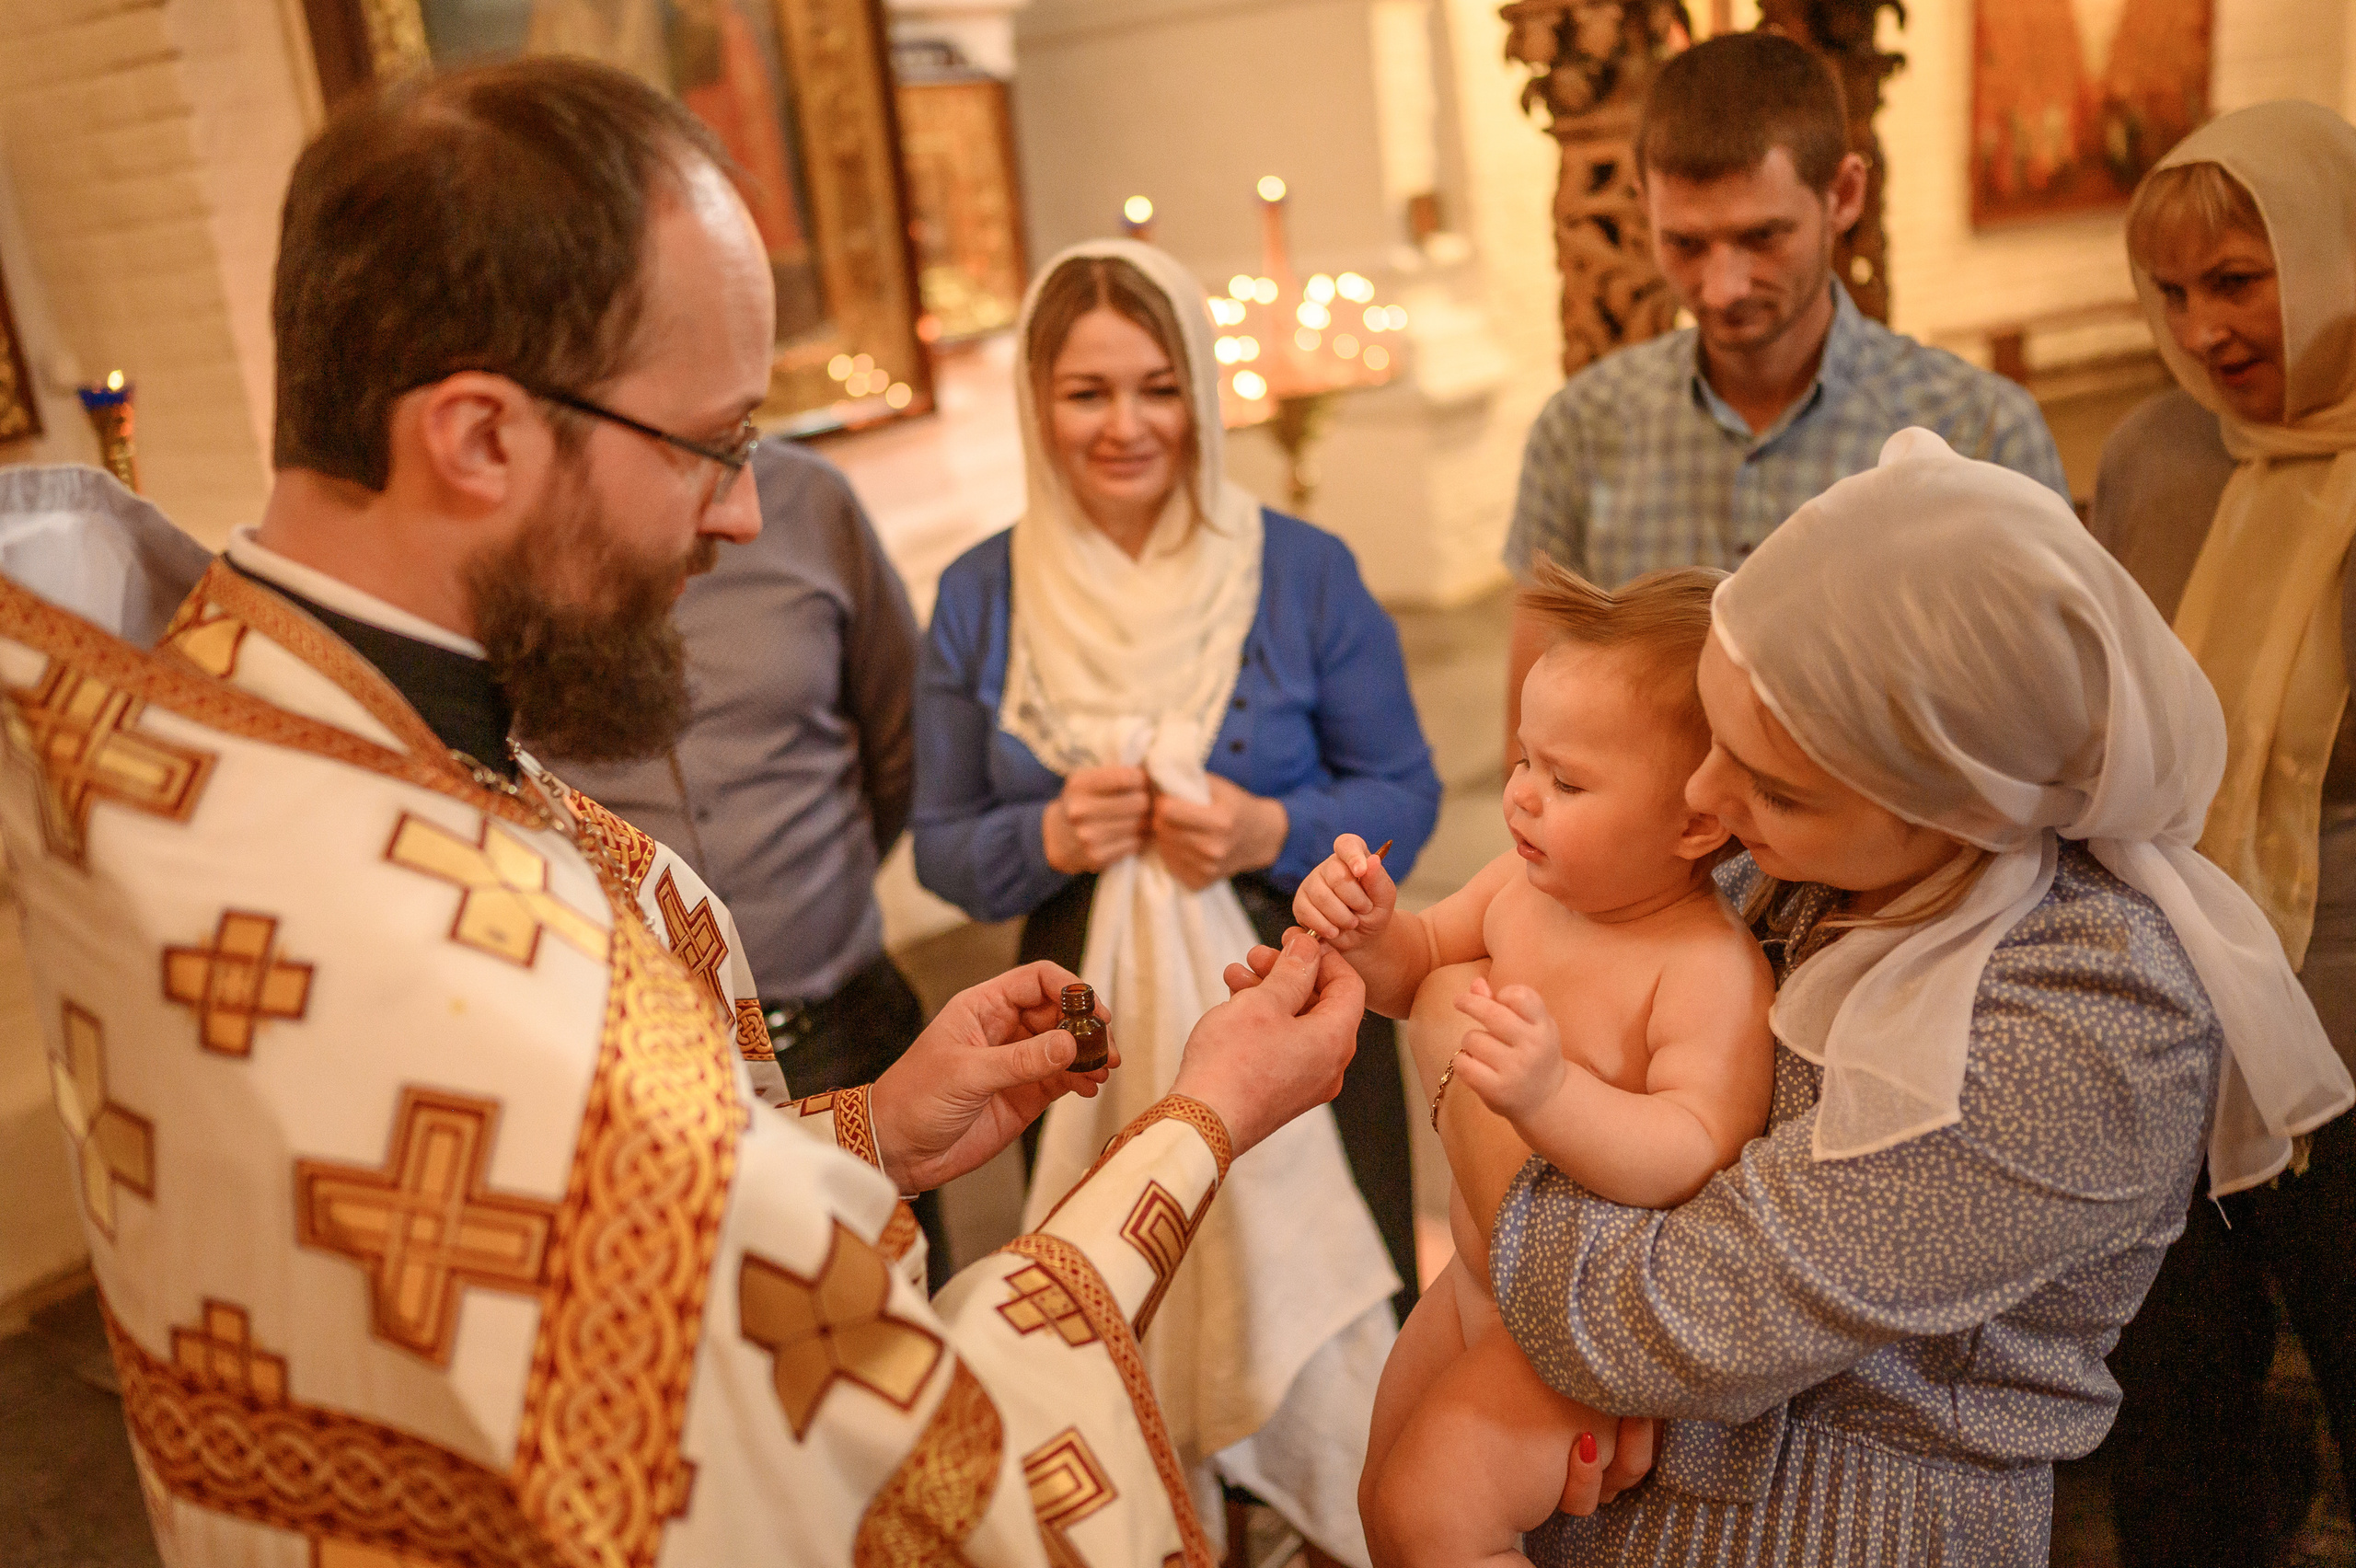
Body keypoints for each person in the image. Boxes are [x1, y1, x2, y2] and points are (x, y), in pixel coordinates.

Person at [0, 60, 1382, 1566]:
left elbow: (602, 1252)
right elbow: (929, 1478)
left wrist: (865, 1132)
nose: (742, 510)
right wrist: (1206, 1115)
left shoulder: (187, 734)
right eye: (713, 443)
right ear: (477, 436)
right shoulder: (471, 999)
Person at [1231, 428, 2356, 1562]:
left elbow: (1658, 1324)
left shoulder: (2093, 1014)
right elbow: (1505, 954)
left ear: (1951, 800)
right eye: (1716, 738)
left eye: (1774, 783)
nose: (1708, 798)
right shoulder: (1798, 860)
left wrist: (1448, 1030)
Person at [912, 240, 1441, 1562]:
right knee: (1117, 1309)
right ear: (1037, 400)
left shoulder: (1300, 569)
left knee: (1318, 1316)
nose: (1128, 425)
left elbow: (1407, 790)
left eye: (1158, 387)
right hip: (1075, 1005)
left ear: (1202, 391)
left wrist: (1273, 825)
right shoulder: (984, 593)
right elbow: (939, 846)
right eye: (1087, 393)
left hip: (1289, 991)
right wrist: (1044, 832)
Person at [1289, 565, 1776, 1566]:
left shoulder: (1704, 967)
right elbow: (1417, 967)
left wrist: (1555, 1096)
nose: (1521, 797)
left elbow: (1693, 1148)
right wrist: (1371, 930)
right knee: (1378, 1492)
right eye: (1521, 760)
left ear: (1693, 823)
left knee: (1436, 1511)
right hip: (1472, 1274)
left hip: (1564, 1331)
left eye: (1567, 782)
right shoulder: (1519, 885)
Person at [1498, 31, 2067, 762]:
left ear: (1845, 195)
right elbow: (1533, 736)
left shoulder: (1979, 430)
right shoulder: (1583, 425)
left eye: (1762, 237)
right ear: (1642, 206)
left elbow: (2035, 724)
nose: (1722, 287)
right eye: (1686, 245)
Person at [2084, 100, 2356, 1566]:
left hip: (2347, 1014)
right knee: (2176, 1412)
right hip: (2169, 1014)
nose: (2202, 328)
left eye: (2239, 279)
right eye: (2172, 292)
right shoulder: (2153, 453)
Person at [533, 437, 954, 1285]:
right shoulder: (529, 549)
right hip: (644, 1071)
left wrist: (810, 894)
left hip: (849, 1021)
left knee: (907, 1314)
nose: (737, 515)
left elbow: (903, 739)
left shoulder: (813, 505)